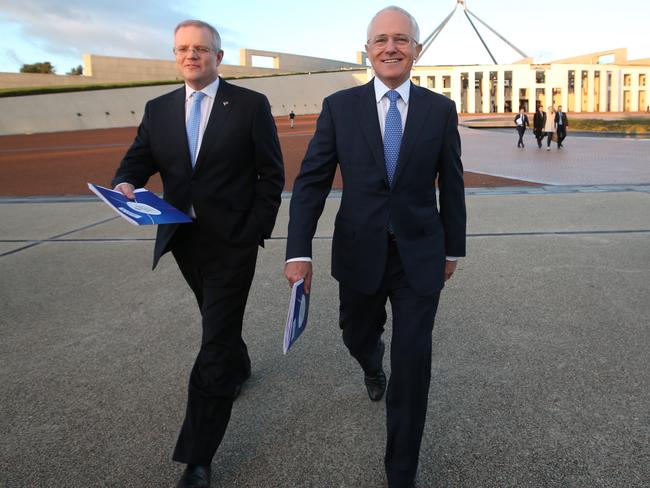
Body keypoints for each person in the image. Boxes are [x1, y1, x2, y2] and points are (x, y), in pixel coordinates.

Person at [284, 6, 466, 488]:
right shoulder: (340, 108)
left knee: (413, 362)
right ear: (367, 50)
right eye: (382, 39)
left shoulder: (439, 110)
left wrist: (453, 251)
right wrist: (297, 250)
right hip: (359, 251)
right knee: (355, 334)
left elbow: (452, 183)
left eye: (402, 40)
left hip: (420, 255)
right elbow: (311, 184)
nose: (391, 47)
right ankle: (370, 360)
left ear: (417, 51)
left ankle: (400, 473)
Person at [111, 19, 284, 488]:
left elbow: (272, 174)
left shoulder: (249, 105)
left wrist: (254, 230)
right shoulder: (159, 108)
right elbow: (138, 158)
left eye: (202, 49)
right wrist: (126, 181)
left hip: (233, 242)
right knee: (218, 322)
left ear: (218, 56)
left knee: (213, 343)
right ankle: (239, 362)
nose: (192, 56)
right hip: (182, 239)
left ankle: (198, 457)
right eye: (183, 49)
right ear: (175, 56)